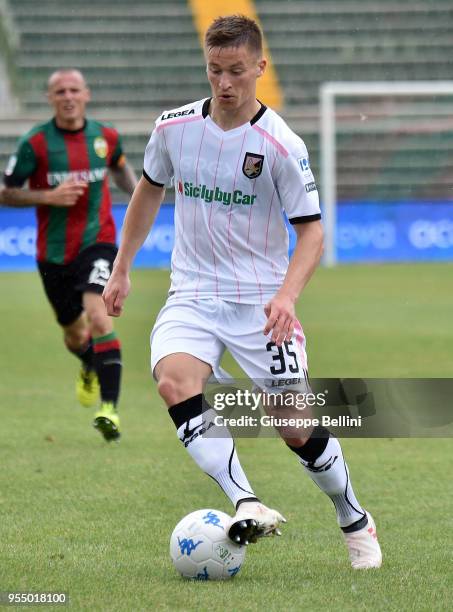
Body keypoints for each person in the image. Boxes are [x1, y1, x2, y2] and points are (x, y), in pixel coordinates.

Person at [103, 15, 382, 568]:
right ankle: (245, 500)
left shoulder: (281, 145)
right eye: (214, 70)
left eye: (236, 71)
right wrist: (122, 267)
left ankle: (354, 518)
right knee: (174, 380)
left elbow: (312, 232)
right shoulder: (173, 129)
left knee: (295, 428)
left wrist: (287, 296)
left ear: (260, 66)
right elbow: (148, 192)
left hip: (261, 303)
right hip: (193, 294)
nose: (224, 82)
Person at [1, 69, 137, 441]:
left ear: (86, 94)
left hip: (99, 241)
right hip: (54, 254)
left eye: (74, 89)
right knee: (75, 336)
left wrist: (144, 195)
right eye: (60, 91)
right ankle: (90, 365)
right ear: (50, 98)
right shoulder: (37, 143)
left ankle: (109, 409)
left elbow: (123, 172)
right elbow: (6, 192)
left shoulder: (106, 137)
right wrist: (47, 196)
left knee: (98, 315)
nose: (68, 96)